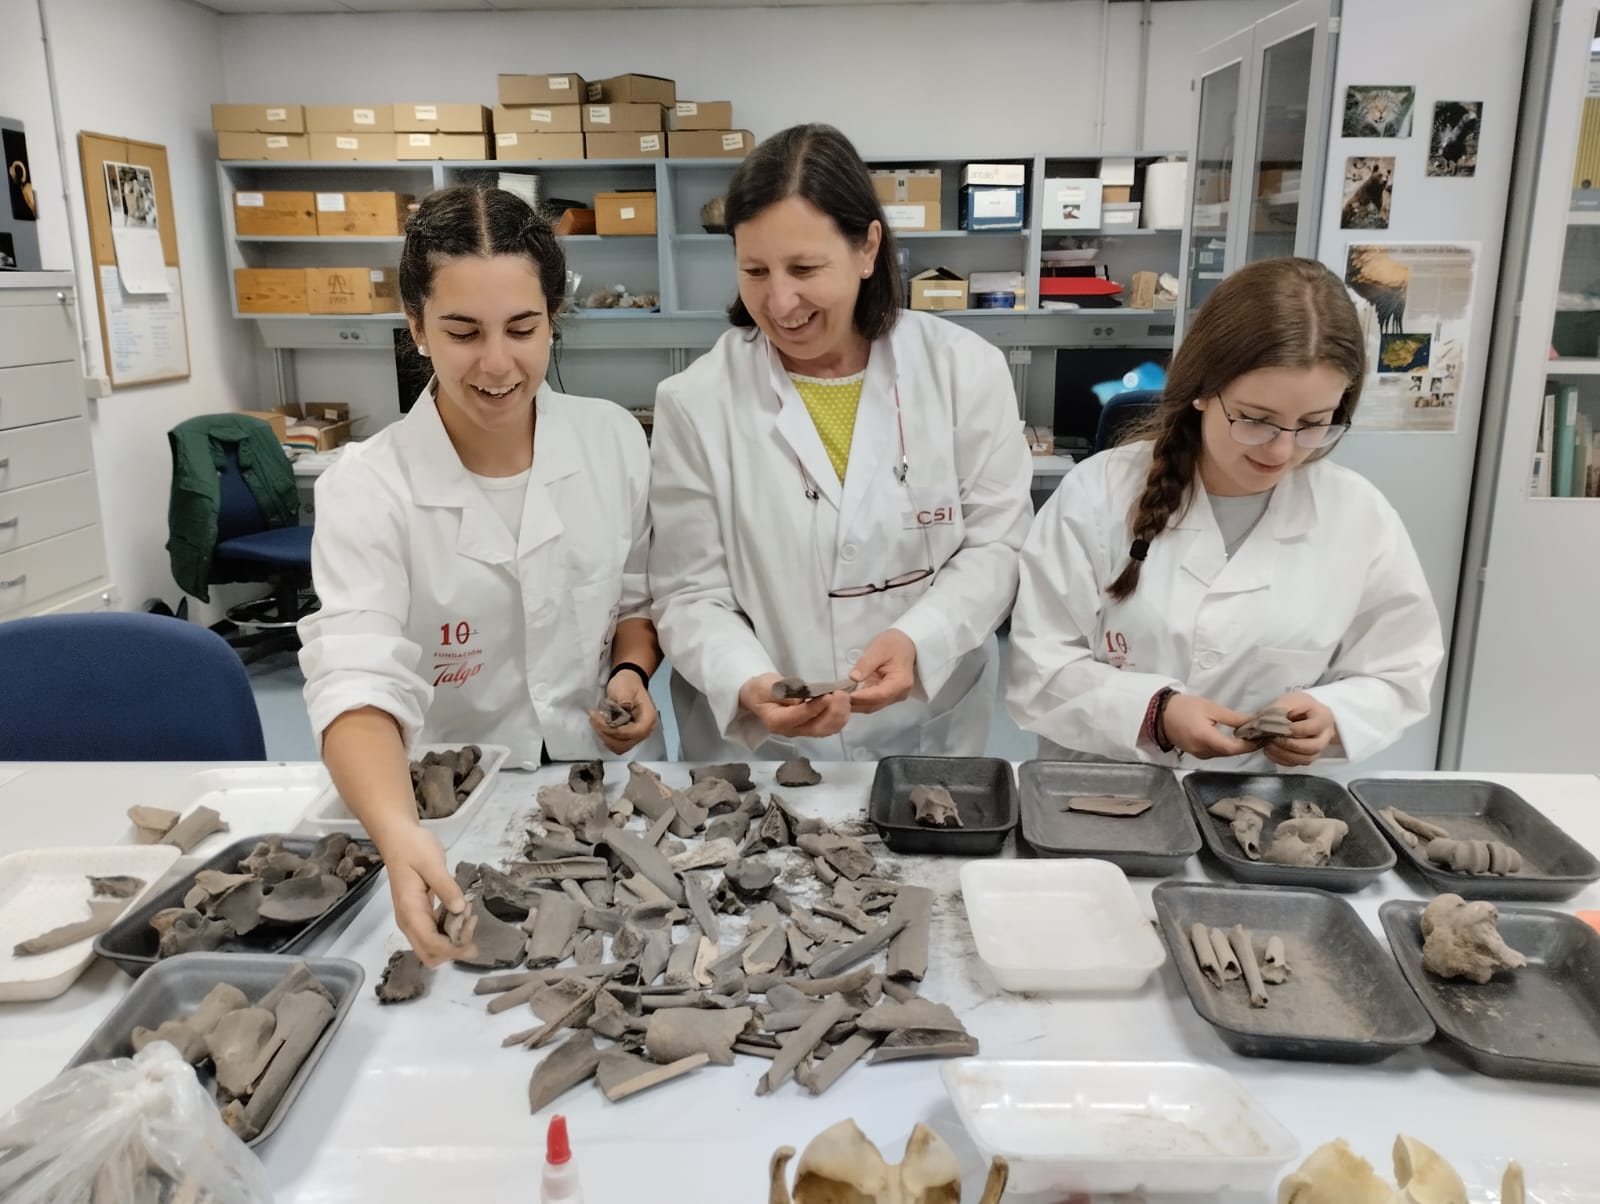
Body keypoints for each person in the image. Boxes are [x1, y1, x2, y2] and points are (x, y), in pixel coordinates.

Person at [299, 185, 663, 964]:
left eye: (523, 329)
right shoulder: (369, 485)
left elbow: (634, 598)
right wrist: (398, 832)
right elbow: (356, 675)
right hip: (444, 812)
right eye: (463, 332)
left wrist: (630, 673)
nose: (498, 364)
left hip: (592, 797)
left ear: (552, 319)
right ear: (416, 327)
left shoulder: (611, 443)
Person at [648, 124, 1033, 762]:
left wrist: (921, 637)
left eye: (804, 268)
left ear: (866, 249)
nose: (779, 300)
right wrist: (750, 680)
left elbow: (998, 544)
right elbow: (691, 592)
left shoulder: (964, 370)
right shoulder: (696, 400)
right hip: (764, 749)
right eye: (754, 270)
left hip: (927, 724)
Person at [1006, 257, 1443, 769]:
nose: (1282, 451)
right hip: (1101, 793)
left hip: (1262, 812)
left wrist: (1333, 715)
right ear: (1201, 390)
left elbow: (1398, 672)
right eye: (1257, 420)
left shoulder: (1358, 517)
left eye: (1313, 423)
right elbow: (1039, 669)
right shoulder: (1096, 495)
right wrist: (1155, 714)